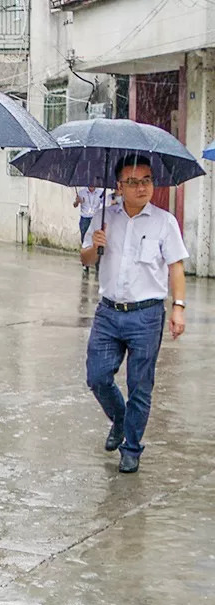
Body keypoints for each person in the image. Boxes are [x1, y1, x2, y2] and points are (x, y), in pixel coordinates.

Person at [81, 154, 187, 474]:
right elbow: (85, 260)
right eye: (133, 182)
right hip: (109, 312)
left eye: (147, 181)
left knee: (140, 385)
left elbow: (176, 266)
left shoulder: (164, 222)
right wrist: (94, 246)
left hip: (147, 314)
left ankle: (132, 447)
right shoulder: (104, 218)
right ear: (119, 186)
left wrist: (178, 308)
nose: (142, 188)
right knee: (97, 376)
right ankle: (120, 419)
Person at [75, 185, 105, 273]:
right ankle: (85, 264)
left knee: (97, 240)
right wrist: (77, 201)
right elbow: (75, 205)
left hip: (95, 218)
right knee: (84, 240)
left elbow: (103, 205)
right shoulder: (81, 192)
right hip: (85, 218)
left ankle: (97, 263)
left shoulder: (100, 193)